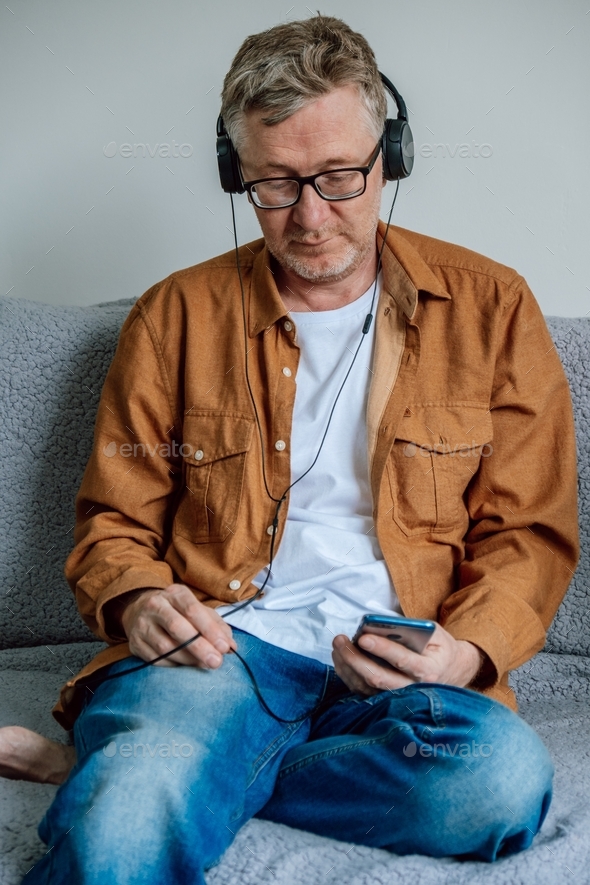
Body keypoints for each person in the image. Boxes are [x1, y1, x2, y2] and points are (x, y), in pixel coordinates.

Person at [5, 14, 579, 884]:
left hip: (400, 672)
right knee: (125, 824)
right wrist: (138, 603)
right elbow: (113, 526)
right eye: (275, 183)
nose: (311, 216)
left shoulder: (494, 308)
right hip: (220, 659)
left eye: (341, 177)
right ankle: (151, 774)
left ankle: (156, 776)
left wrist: (463, 651)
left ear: (392, 157)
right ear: (238, 175)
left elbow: (530, 535)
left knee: (496, 786)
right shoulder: (174, 317)